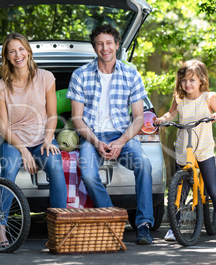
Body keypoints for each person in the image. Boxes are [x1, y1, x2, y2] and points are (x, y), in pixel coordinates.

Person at [66, 24, 154, 245]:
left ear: (116, 45)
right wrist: (95, 142)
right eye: (99, 44)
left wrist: (121, 142)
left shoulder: (131, 73)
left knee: (144, 164)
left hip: (122, 134)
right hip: (92, 135)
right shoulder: (80, 75)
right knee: (87, 174)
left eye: (108, 43)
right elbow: (77, 118)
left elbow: (138, 117)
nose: (104, 48)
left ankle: (143, 224)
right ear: (94, 48)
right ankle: (112, 216)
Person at [155, 59, 216, 243]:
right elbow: (172, 113)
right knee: (180, 189)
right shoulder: (179, 98)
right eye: (184, 81)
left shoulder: (208, 98)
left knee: (212, 188)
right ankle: (174, 229)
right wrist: (163, 118)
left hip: (203, 148)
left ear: (201, 81)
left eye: (192, 80)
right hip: (183, 147)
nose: (187, 84)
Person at [0, 33, 67, 246]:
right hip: (13, 141)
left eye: (21, 49)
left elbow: (52, 114)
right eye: (12, 51)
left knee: (55, 167)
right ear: (7, 56)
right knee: (7, 173)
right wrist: (24, 151)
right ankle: (1, 229)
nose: (18, 55)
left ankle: (58, 229)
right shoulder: (1, 86)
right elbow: (3, 126)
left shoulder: (45, 77)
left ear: (28, 51)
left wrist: (48, 139)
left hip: (42, 139)